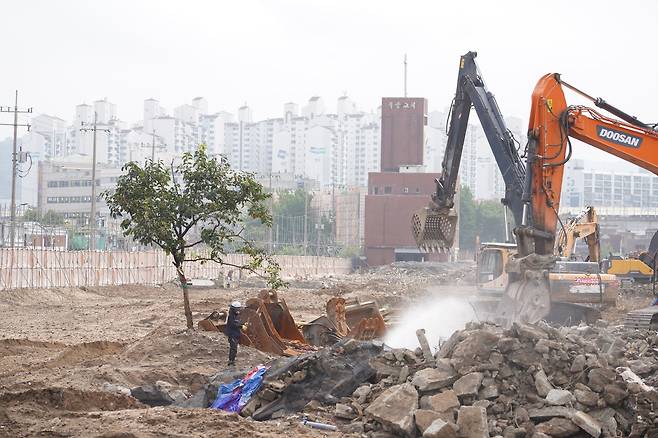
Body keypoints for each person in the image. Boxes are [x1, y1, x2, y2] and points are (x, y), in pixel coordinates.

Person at [225, 301, 243, 366]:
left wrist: (242, 324)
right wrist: (241, 326)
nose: (238, 311)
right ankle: (231, 361)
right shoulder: (231, 317)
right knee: (233, 348)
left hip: (235, 334)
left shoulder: (236, 316)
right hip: (232, 334)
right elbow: (233, 324)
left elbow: (238, 323)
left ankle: (232, 360)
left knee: (234, 348)